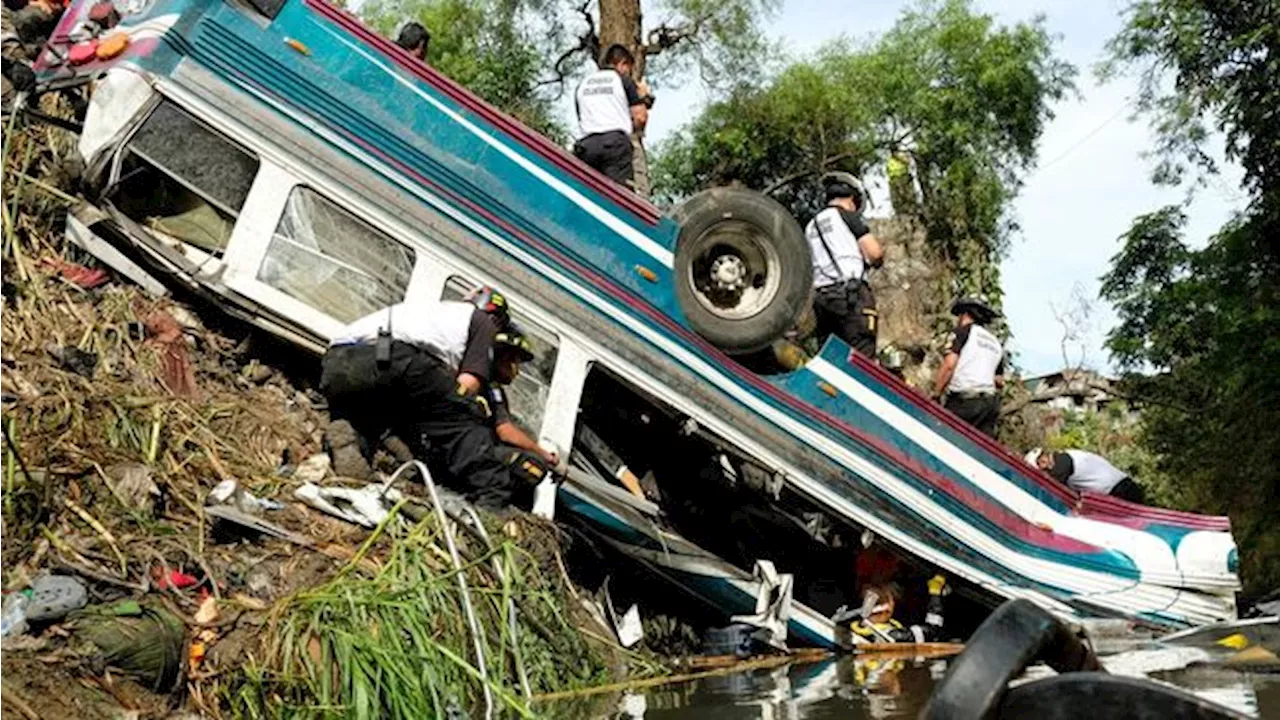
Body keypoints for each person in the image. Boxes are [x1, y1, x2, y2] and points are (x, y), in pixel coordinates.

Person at [319, 287, 550, 509]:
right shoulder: (482, 322)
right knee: (461, 412)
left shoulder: (434, 312)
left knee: (384, 410)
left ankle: (351, 441)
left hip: (337, 362)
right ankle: (489, 497)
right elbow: (467, 385)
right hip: (395, 360)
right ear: (496, 319)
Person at [806, 171, 885, 358]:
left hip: (822, 299)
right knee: (861, 355)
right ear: (852, 198)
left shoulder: (811, 226)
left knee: (831, 357)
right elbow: (875, 253)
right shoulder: (848, 217)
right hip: (852, 297)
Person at [573, 44, 648, 186]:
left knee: (590, 193)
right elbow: (640, 117)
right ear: (622, 63)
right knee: (619, 197)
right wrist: (643, 99)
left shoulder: (582, 85)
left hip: (587, 147)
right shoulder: (622, 80)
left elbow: (581, 118)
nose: (628, 73)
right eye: (628, 68)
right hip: (615, 146)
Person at [932, 296, 1005, 438]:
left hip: (965, 401)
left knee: (941, 438)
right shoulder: (995, 343)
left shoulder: (962, 332)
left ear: (964, 314)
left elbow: (949, 365)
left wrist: (936, 394)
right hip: (990, 406)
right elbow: (999, 381)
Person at [840, 575, 949, 644]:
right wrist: (935, 594)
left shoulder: (849, 626)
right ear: (885, 609)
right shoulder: (893, 636)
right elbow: (933, 631)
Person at [1026, 448, 1146, 504]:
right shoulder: (1066, 458)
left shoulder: (1063, 461)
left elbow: (1052, 491)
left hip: (1121, 491)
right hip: (1119, 488)